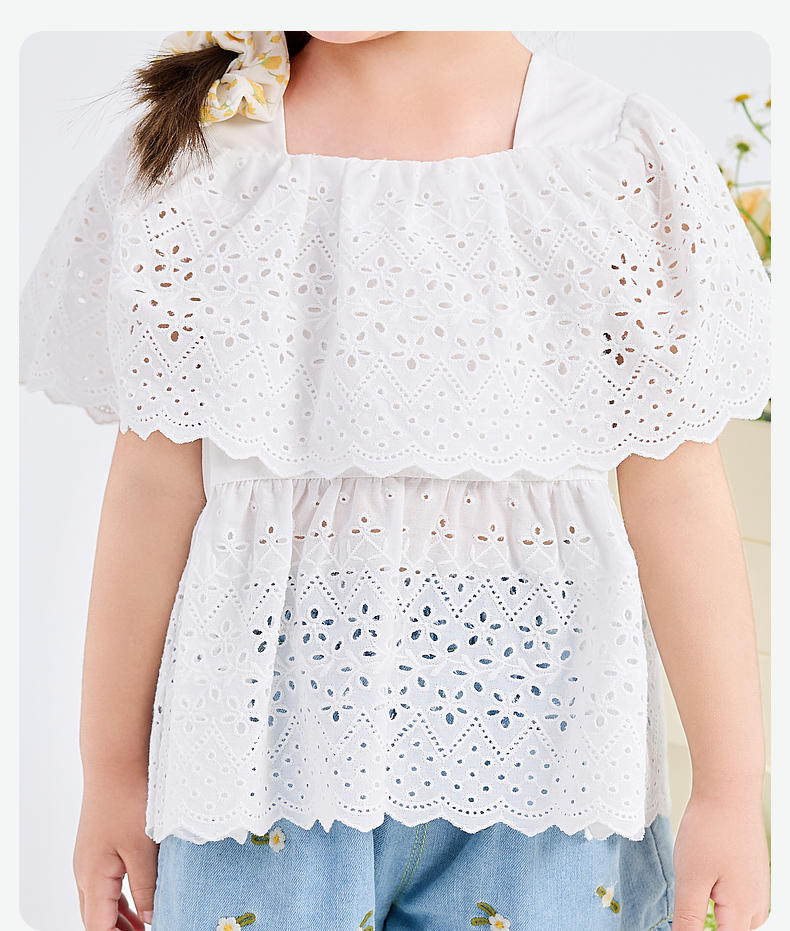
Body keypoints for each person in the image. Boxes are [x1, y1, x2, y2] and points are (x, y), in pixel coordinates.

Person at [19, 30, 771, 931]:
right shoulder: (206, 161)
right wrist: (112, 770)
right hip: (255, 767)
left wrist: (731, 786)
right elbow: (153, 484)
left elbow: (676, 490)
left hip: (549, 768)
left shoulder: (612, 160)